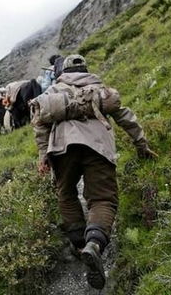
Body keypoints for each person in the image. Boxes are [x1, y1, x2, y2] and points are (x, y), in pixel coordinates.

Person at [33, 54, 157, 290]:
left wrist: (43, 156)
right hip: (98, 146)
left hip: (62, 148)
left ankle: (80, 244)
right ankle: (95, 244)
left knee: (66, 193)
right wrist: (141, 144)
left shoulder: (53, 93)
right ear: (85, 68)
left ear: (63, 71)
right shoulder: (100, 89)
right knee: (102, 198)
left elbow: (40, 125)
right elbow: (125, 117)